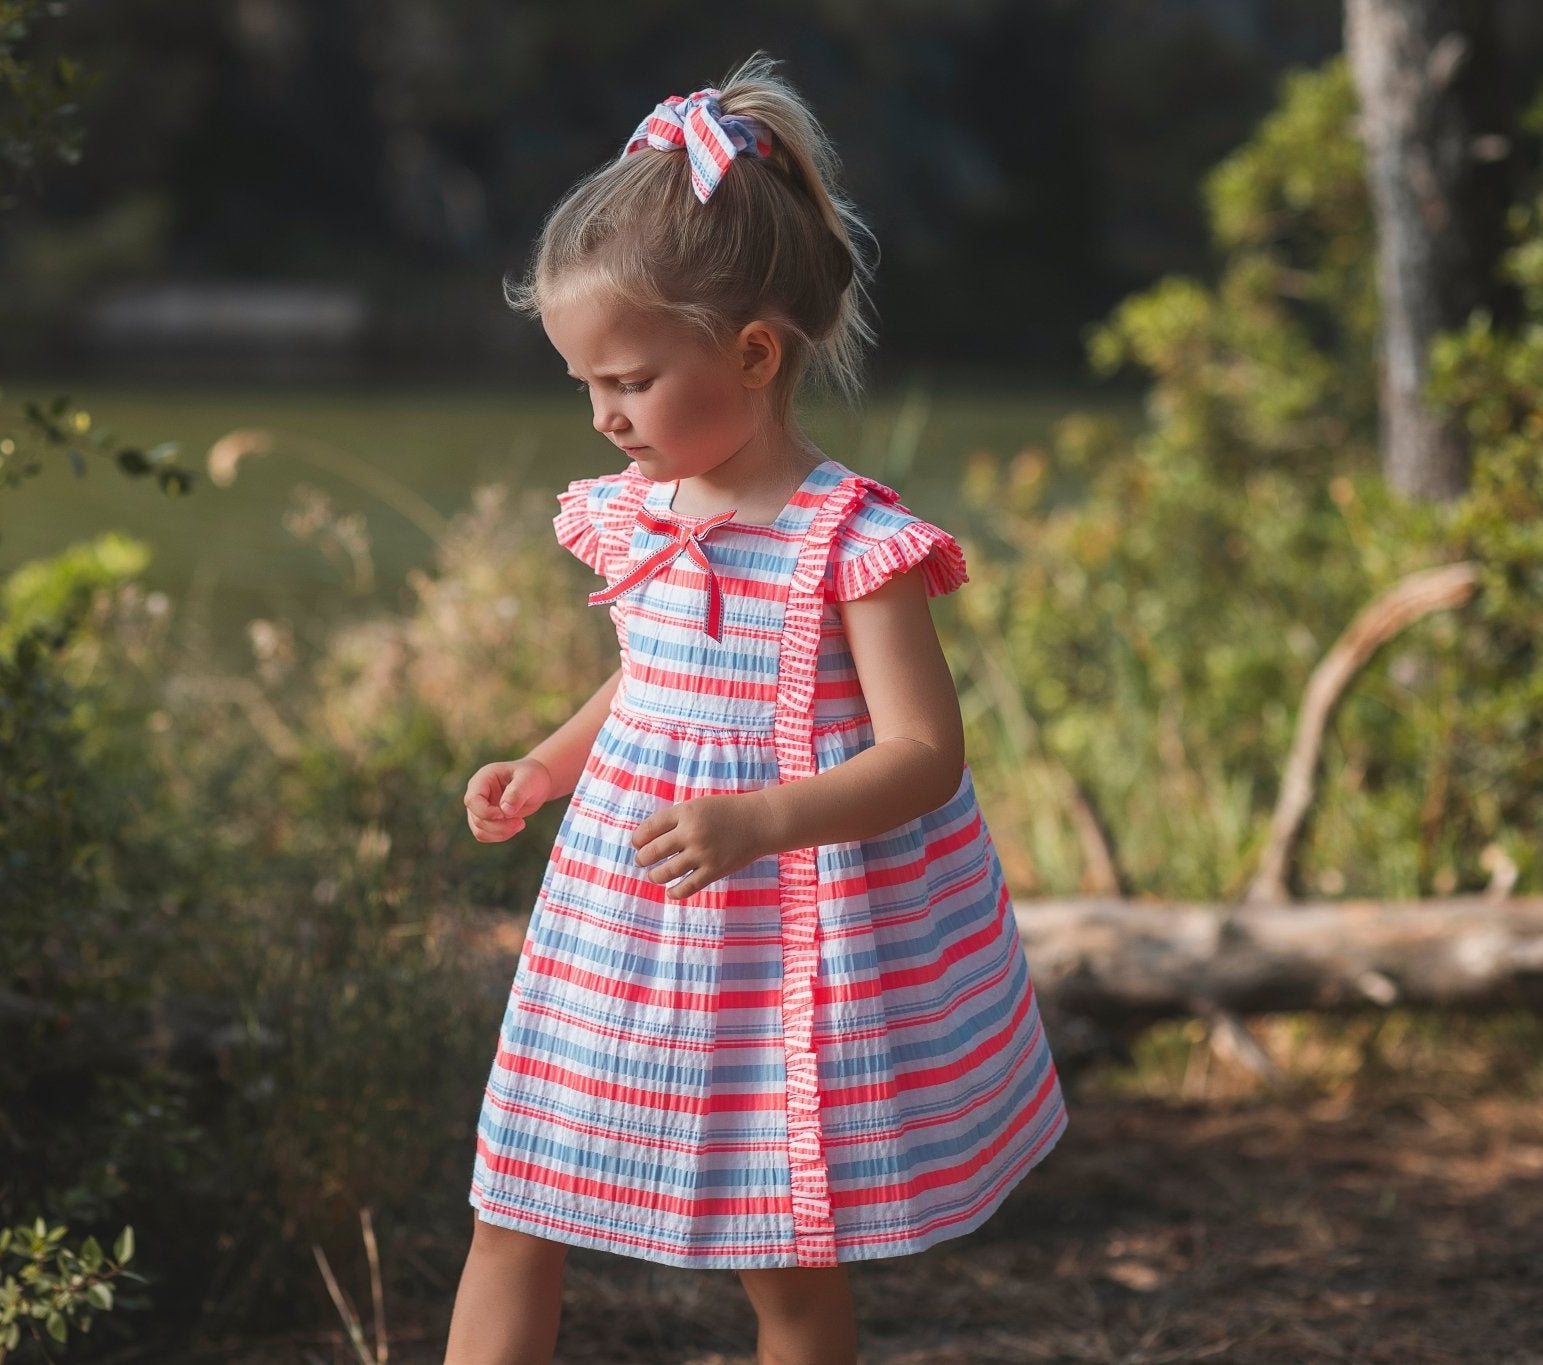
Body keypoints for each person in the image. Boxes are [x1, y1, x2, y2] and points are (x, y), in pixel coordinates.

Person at [449, 53, 1069, 1365]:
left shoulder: (849, 541)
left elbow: (922, 754)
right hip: (620, 917)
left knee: (778, 1247)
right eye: (586, 388)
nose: (605, 417)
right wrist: (550, 763)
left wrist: (761, 819)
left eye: (628, 381)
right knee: (517, 1196)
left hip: (779, 933)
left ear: (750, 351)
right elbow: (654, 674)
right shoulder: (639, 516)